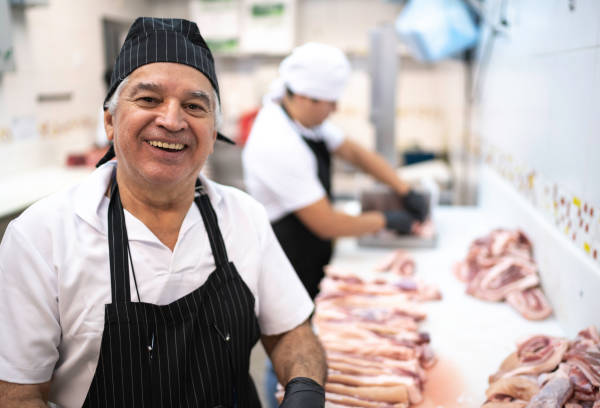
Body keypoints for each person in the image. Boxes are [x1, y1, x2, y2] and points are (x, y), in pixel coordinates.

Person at [0, 18, 326, 408]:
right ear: (109, 119)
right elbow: (17, 395)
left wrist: (305, 387)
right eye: (149, 99)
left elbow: (291, 331)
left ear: (213, 131)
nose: (172, 121)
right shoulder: (42, 236)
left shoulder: (243, 216)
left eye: (194, 106)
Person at [241, 42, 429, 407]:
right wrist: (388, 219)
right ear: (308, 97)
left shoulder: (302, 120)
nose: (336, 109)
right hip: (286, 257)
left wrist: (403, 188)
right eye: (331, 101)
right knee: (287, 342)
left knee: (312, 337)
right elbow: (326, 222)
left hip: (308, 251)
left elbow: (354, 152)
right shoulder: (276, 141)